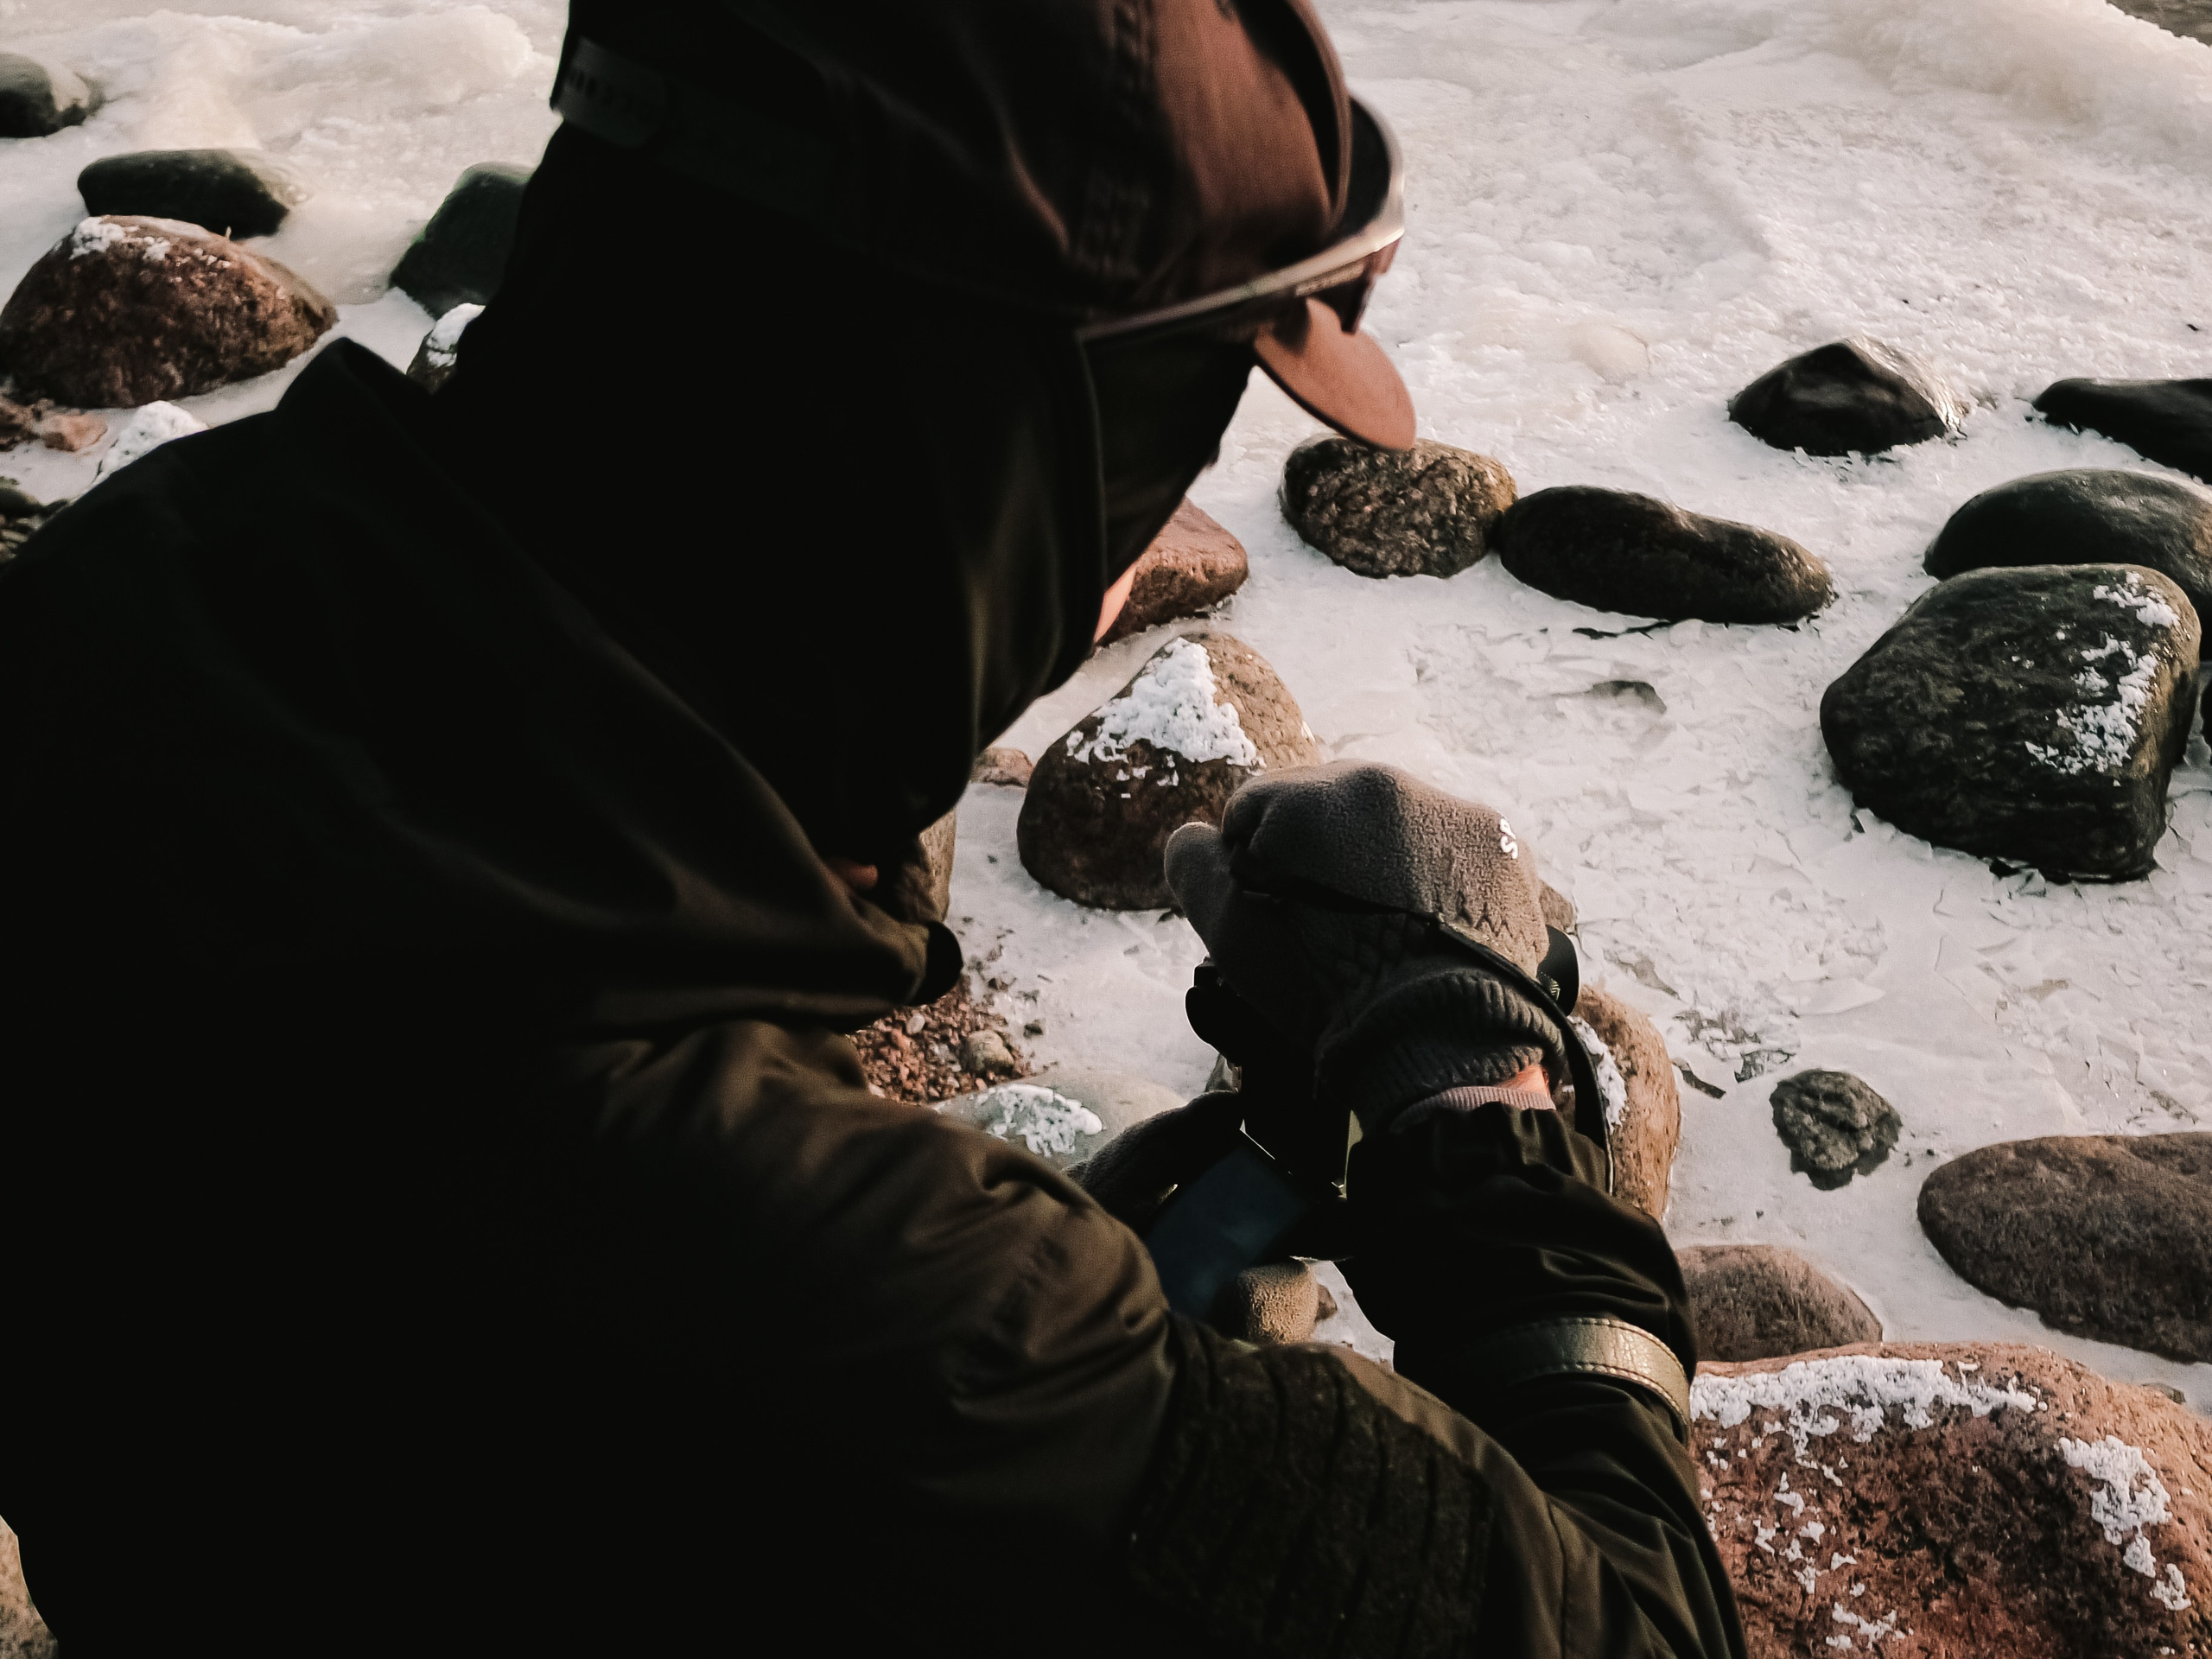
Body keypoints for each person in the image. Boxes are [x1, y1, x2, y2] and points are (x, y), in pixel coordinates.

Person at [0, 2, 1743, 1655]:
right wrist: (1471, 1096)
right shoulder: (833, 1293)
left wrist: (1057, 1280)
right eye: (1143, 463)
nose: (1138, 556)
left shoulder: (144, 601)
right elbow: (1629, 1627)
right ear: (965, 478)